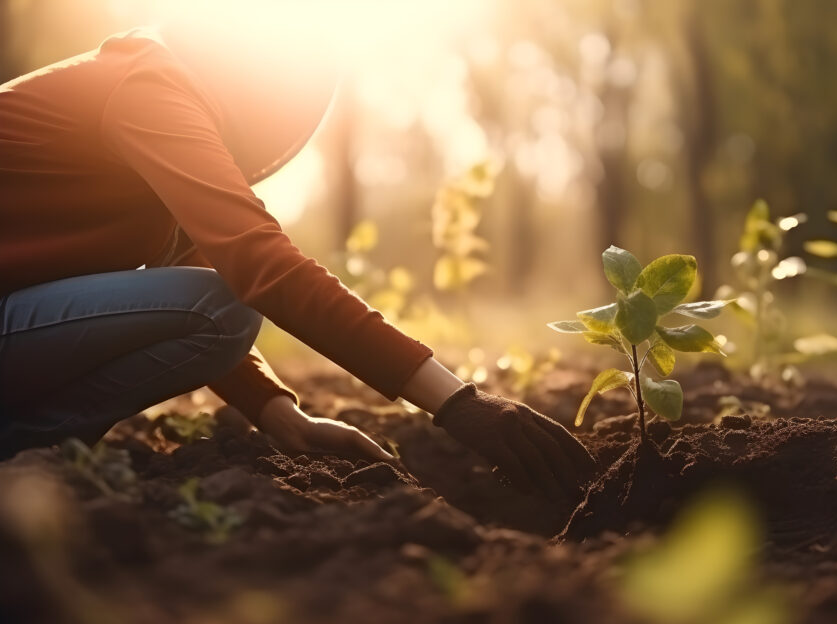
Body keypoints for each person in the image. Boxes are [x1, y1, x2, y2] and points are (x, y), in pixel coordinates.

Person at [0, 22, 595, 500]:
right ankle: (22, 445)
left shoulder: (148, 87)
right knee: (222, 310)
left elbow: (194, 270)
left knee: (215, 305)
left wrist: (278, 410)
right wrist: (455, 401)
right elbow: (258, 264)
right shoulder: (149, 88)